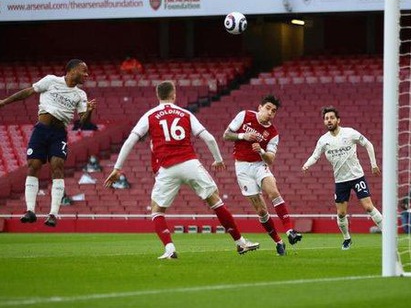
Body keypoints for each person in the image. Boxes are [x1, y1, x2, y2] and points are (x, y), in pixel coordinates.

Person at [104, 80, 259, 259]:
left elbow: (130, 141)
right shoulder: (185, 114)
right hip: (190, 163)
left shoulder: (150, 115)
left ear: (158, 96)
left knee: (157, 210)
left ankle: (169, 249)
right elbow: (208, 138)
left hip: (167, 168)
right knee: (215, 201)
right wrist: (217, 159)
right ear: (174, 94)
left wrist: (117, 168)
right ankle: (240, 243)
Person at [0, 59, 95, 227]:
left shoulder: (80, 95)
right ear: (72, 71)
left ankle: (53, 214)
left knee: (57, 166)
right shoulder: (51, 80)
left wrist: (88, 112)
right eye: (84, 71)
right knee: (33, 165)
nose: (86, 75)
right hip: (41, 130)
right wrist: (4, 102)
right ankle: (30, 211)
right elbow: (29, 92)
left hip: (58, 134)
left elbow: (83, 121)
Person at [223, 94, 302, 256]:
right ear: (260, 107)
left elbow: (271, 159)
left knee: (273, 192)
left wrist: (262, 151)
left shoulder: (272, 133)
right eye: (267, 108)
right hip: (242, 167)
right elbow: (226, 135)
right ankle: (278, 242)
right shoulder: (244, 115)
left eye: (273, 111)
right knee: (261, 211)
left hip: (260, 165)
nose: (270, 113)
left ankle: (289, 231)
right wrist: (242, 136)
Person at [302, 106, 383, 250]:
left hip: (357, 177)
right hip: (340, 180)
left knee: (368, 206)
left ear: (338, 120)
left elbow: (368, 144)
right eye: (326, 118)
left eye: (331, 118)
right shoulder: (323, 140)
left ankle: (386, 233)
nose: (329, 121)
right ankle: (347, 239)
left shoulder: (350, 133)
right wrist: (307, 165)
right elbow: (315, 155)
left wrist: (373, 164)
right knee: (341, 213)